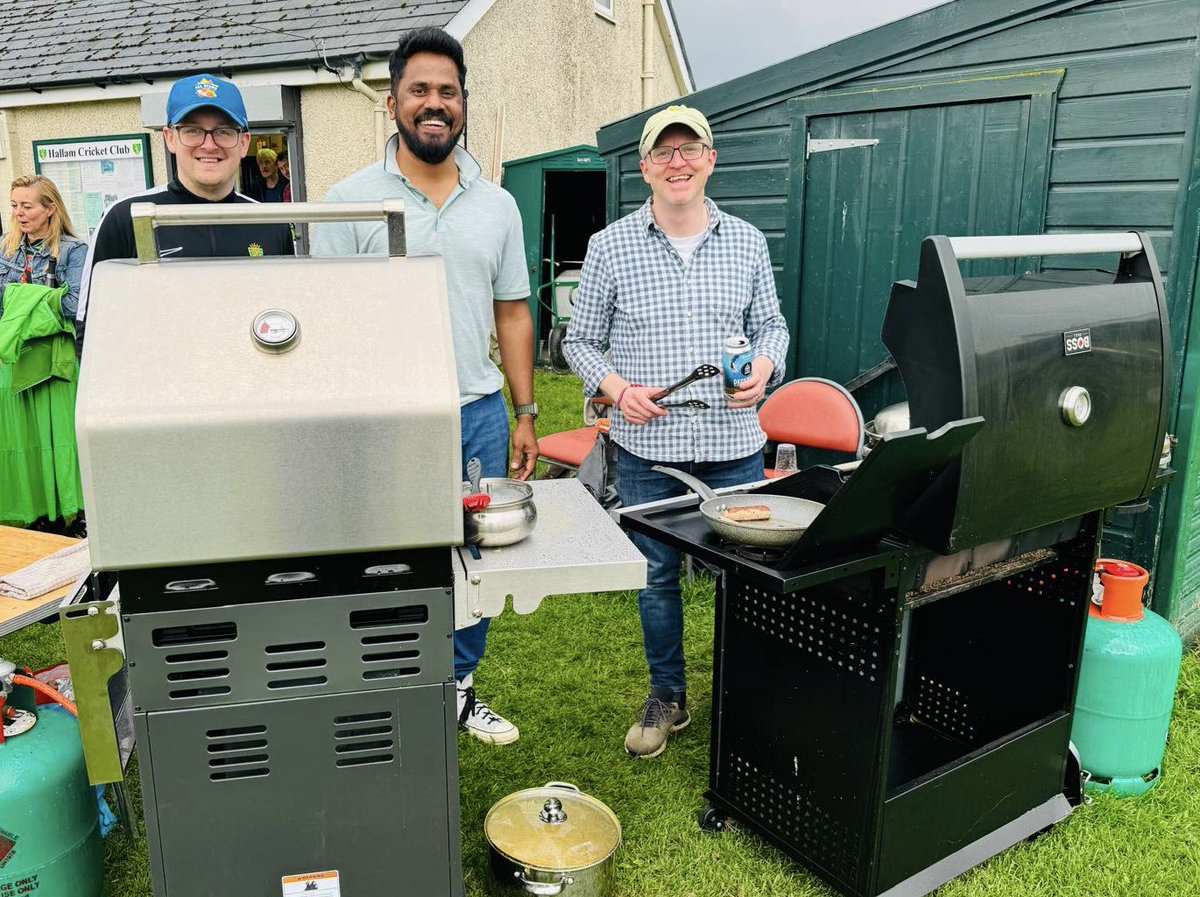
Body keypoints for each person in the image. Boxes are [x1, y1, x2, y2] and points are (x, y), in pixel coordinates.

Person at [311, 27, 538, 746]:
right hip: (386, 418)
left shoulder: (498, 205)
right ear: (393, 103)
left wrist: (526, 411)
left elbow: (511, 311)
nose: (434, 104)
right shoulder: (349, 202)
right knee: (387, 555)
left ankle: (460, 688)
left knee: (474, 556)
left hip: (476, 411)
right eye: (419, 90)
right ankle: (392, 687)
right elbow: (330, 323)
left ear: (463, 103)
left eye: (447, 91)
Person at [562, 105, 789, 759]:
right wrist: (617, 390)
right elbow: (580, 342)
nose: (678, 162)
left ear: (711, 160)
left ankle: (749, 695)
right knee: (657, 577)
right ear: (644, 168)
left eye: (691, 149)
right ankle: (669, 695)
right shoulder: (609, 246)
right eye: (664, 152)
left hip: (734, 443)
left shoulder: (746, 241)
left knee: (747, 576)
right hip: (648, 452)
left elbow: (772, 324)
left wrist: (768, 363)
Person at [75, 72, 294, 341]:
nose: (209, 144)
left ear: (243, 142)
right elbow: (91, 331)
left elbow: (284, 317)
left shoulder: (270, 222)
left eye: (224, 131)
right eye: (192, 130)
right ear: (169, 138)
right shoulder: (127, 218)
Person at [0, 174, 88, 528]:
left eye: (27, 206)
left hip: (55, 363)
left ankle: (70, 514)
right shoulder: (5, 248)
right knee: (22, 440)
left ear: (50, 209)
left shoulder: (73, 250)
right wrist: (41, 299)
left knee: (60, 440)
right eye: (14, 206)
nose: (19, 213)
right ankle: (31, 514)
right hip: (13, 359)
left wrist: (20, 302)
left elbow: (75, 303)